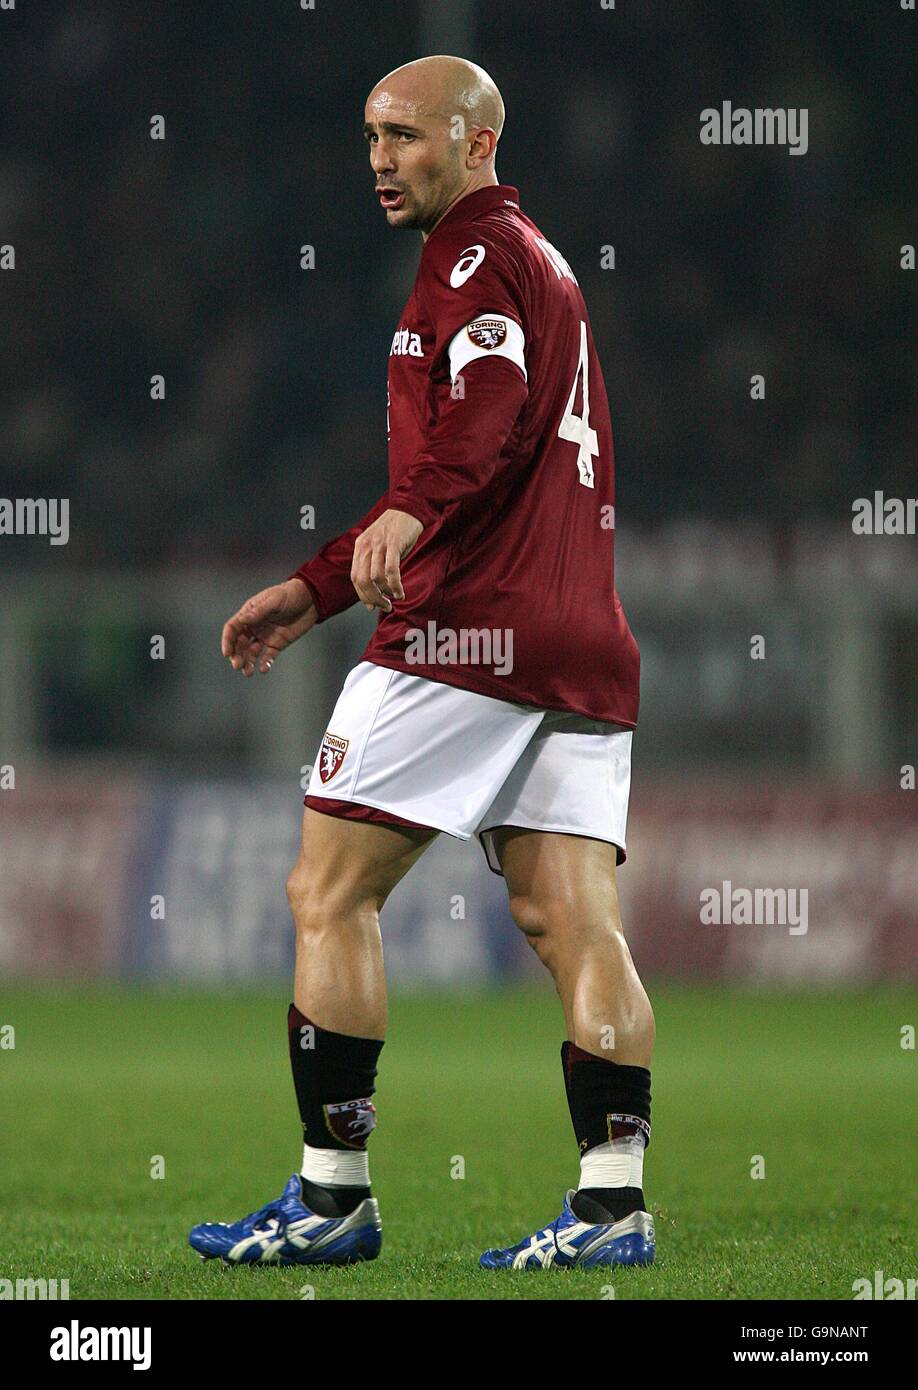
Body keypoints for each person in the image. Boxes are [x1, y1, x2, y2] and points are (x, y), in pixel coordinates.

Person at [188, 54, 655, 1273]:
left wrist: (411, 523)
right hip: (584, 636)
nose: (381, 159)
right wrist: (313, 587)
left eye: (402, 135)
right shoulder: (545, 262)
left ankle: (331, 1193)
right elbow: (478, 445)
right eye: (369, 137)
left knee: (326, 892)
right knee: (572, 916)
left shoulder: (472, 256)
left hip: (470, 632)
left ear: (474, 139)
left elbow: (482, 416)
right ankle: (614, 1204)